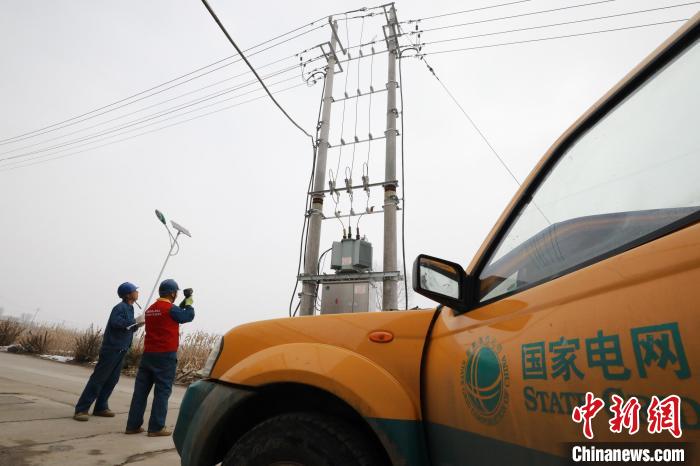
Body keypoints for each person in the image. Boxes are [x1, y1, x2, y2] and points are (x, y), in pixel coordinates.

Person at [125, 278, 194, 436]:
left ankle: (132, 426)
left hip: (148, 354)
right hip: (165, 356)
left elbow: (174, 311)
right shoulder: (170, 309)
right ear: (172, 293)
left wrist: (183, 301)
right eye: (176, 292)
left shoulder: (151, 309)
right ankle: (156, 427)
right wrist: (189, 302)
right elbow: (187, 316)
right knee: (162, 391)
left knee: (140, 392)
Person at [74, 282, 139, 421]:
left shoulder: (130, 308)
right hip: (112, 348)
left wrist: (137, 324)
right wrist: (133, 322)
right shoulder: (119, 307)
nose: (137, 293)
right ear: (128, 294)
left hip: (122, 348)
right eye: (135, 291)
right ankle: (81, 409)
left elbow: (129, 327)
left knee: (112, 380)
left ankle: (101, 407)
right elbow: (116, 323)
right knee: (99, 379)